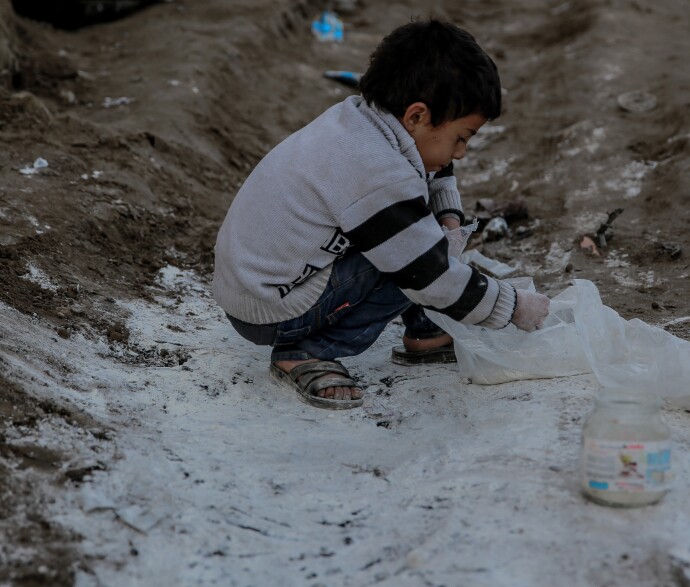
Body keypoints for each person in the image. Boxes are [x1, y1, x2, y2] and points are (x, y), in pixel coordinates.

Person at [212, 19, 551, 410]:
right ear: (418, 116)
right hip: (270, 307)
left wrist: (451, 219)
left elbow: (434, 169)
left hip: (254, 285)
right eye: (462, 137)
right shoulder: (376, 171)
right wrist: (511, 306)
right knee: (411, 261)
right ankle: (306, 350)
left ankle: (427, 331)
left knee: (417, 237)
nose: (461, 153)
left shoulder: (364, 119)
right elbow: (429, 277)